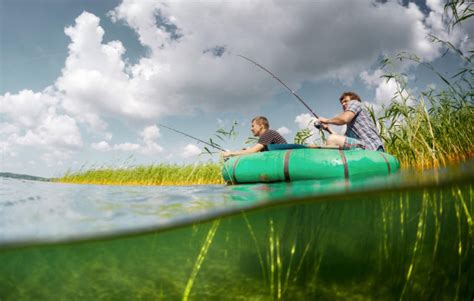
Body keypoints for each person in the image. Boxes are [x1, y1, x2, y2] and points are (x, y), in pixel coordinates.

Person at [317, 91, 384, 151]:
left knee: (332, 139)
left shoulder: (355, 103)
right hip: (363, 146)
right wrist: (329, 129)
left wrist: (326, 120)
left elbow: (344, 119)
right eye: (342, 103)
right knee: (334, 140)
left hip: (372, 147)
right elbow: (341, 139)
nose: (343, 104)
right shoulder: (350, 126)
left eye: (346, 101)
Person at [222, 116, 287, 157]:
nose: (251, 129)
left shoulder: (268, 133)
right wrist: (248, 150)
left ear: (261, 126)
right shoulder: (267, 135)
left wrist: (230, 153)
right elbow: (258, 152)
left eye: (253, 126)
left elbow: (253, 151)